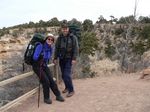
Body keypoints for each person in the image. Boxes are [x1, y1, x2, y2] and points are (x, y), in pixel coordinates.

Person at [32, 33, 65, 104]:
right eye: (48, 39)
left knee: (51, 80)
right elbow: (34, 57)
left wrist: (48, 58)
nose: (50, 40)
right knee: (46, 81)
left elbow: (48, 58)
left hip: (44, 65)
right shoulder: (40, 46)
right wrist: (41, 56)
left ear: (53, 41)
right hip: (37, 66)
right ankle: (46, 98)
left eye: (52, 39)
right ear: (46, 39)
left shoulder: (50, 48)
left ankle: (58, 95)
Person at [53, 23, 79, 97]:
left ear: (68, 29)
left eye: (66, 28)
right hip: (61, 59)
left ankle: (71, 90)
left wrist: (74, 58)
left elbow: (76, 48)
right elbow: (56, 49)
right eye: (63, 29)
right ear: (61, 29)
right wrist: (55, 58)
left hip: (69, 59)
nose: (65, 30)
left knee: (66, 74)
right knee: (63, 75)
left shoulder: (73, 37)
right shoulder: (59, 38)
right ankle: (67, 87)